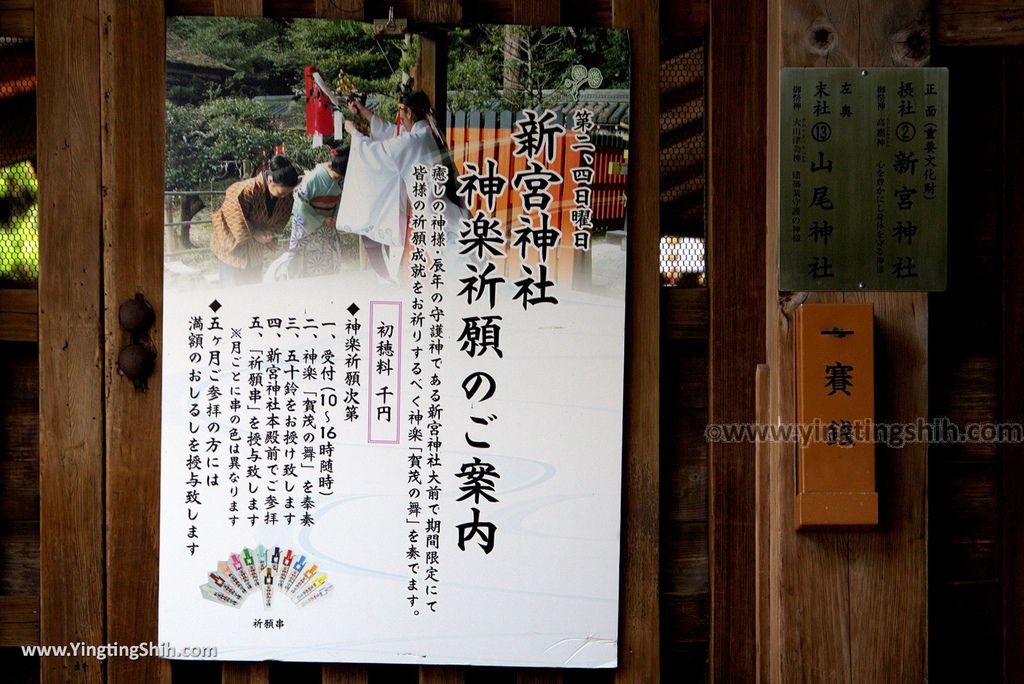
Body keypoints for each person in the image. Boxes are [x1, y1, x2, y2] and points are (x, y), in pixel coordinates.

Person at [337, 90, 466, 282]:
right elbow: (391, 132)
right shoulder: (425, 132)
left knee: (426, 271)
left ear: (409, 113)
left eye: (401, 115)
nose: (400, 120)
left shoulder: (416, 140)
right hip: (432, 208)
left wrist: (354, 133)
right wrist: (362, 111)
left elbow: (379, 151)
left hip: (426, 215)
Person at [209, 154, 299, 286]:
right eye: (281, 193)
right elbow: (232, 217)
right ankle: (218, 307)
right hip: (233, 249)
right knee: (231, 294)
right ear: (270, 181)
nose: (284, 196)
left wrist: (268, 232)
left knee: (253, 291)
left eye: (287, 193)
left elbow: (282, 219)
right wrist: (255, 233)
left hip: (255, 250)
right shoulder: (246, 190)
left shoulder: (286, 197)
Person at [285, 145, 349, 278]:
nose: (338, 180)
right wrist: (321, 220)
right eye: (337, 177)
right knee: (308, 265)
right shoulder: (314, 177)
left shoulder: (342, 178)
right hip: (310, 225)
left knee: (328, 263)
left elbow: (340, 200)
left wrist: (336, 217)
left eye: (340, 178)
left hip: (329, 225)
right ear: (331, 166)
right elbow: (300, 204)